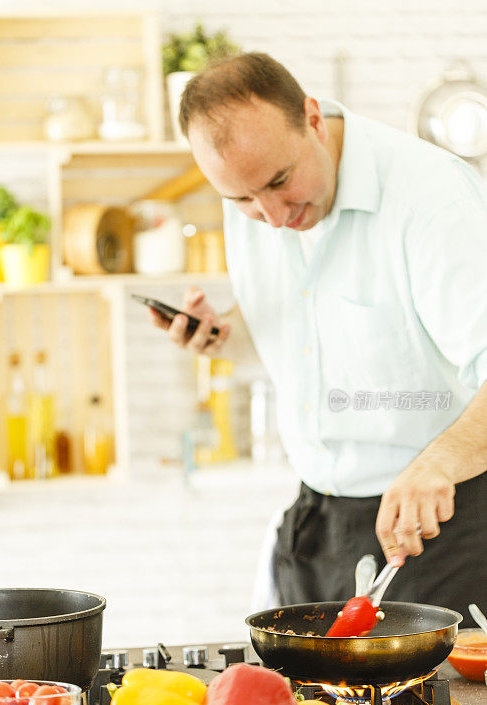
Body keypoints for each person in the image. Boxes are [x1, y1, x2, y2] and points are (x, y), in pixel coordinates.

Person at [148, 52, 487, 625]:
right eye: (243, 201)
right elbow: (315, 335)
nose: (273, 216)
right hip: (317, 519)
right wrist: (224, 336)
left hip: (442, 522)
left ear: (312, 118)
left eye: (280, 182)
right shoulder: (253, 187)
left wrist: (437, 463)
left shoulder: (433, 199)